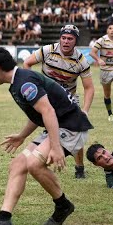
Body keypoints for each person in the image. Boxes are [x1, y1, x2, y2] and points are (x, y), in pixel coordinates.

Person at [0, 47, 93, 225]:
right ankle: (3, 218)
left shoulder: (24, 83)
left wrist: (55, 147)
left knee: (34, 163)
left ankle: (63, 205)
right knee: (18, 164)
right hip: (57, 125)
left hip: (71, 127)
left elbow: (48, 111)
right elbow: (39, 113)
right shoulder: (17, 82)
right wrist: (22, 136)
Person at [23, 25, 94, 179]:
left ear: (75, 41)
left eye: (70, 38)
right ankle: (37, 154)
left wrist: (85, 110)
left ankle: (79, 168)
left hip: (68, 99)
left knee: (77, 128)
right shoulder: (47, 51)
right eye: (63, 38)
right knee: (43, 124)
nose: (66, 41)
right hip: (46, 97)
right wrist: (33, 86)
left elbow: (89, 88)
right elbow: (27, 63)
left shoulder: (81, 61)